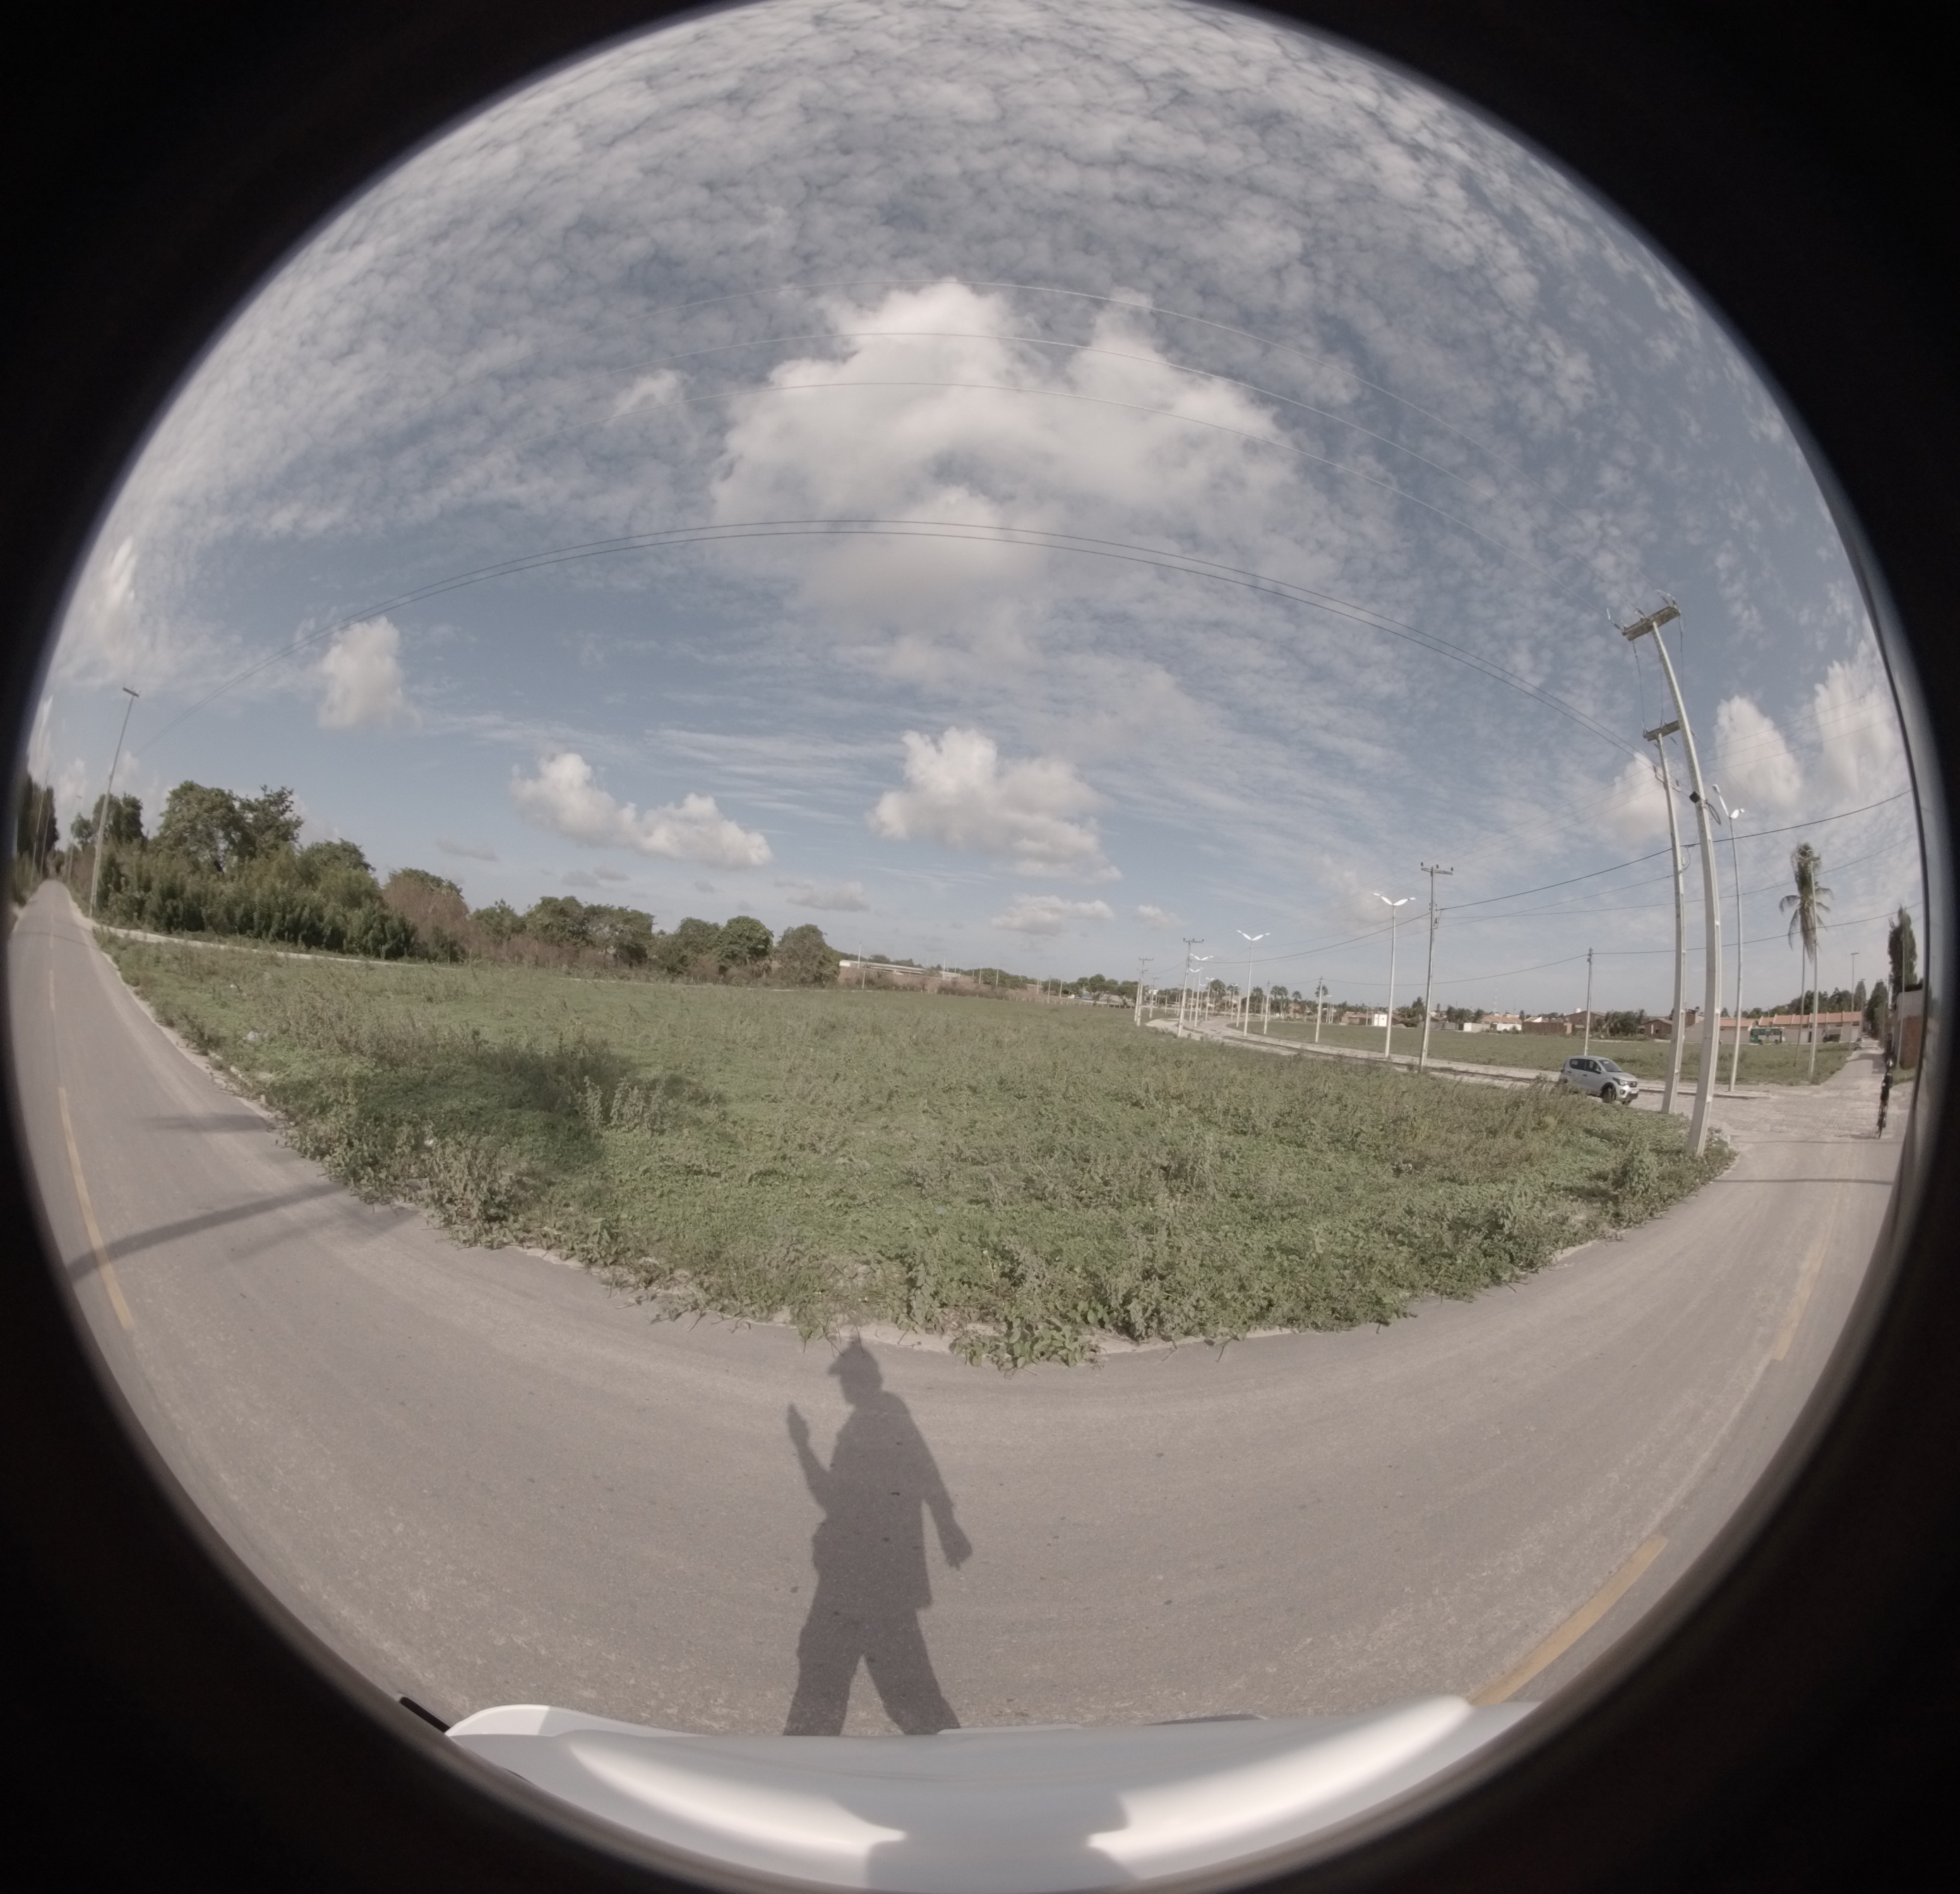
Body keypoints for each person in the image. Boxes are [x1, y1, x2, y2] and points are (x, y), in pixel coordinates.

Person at [784, 1338, 971, 1735]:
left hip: (863, 1569)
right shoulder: (888, 1415)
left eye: (847, 1380)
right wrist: (946, 1525)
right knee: (898, 1675)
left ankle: (808, 1756)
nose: (843, 1387)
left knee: (831, 1673)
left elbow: (832, 1497)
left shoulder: (868, 1424)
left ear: (864, 1381)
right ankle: (946, 1752)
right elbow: (925, 1468)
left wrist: (802, 1445)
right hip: (885, 1567)